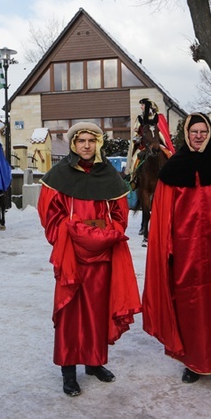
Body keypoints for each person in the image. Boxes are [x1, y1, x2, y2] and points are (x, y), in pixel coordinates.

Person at [143, 113, 211, 388]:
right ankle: (194, 362)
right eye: (194, 131)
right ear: (187, 134)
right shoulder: (174, 169)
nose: (198, 136)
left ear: (210, 133)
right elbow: (162, 215)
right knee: (190, 307)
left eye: (203, 131)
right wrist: (166, 248)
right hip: (186, 252)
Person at [38, 122, 141, 397]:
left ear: (98, 144)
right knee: (71, 313)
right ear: (73, 144)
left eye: (91, 141)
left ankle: (94, 362)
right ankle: (68, 371)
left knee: (98, 309)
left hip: (103, 253)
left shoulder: (109, 175)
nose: (86, 145)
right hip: (72, 252)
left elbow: (120, 215)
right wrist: (76, 232)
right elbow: (50, 215)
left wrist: (106, 234)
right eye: (81, 140)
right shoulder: (59, 176)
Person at [126, 98, 175, 183]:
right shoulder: (139, 118)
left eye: (143, 105)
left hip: (157, 143)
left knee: (169, 154)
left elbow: (163, 133)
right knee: (134, 160)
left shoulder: (159, 117)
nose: (141, 107)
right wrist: (137, 139)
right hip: (144, 146)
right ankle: (134, 179)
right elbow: (136, 133)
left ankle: (173, 174)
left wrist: (160, 139)